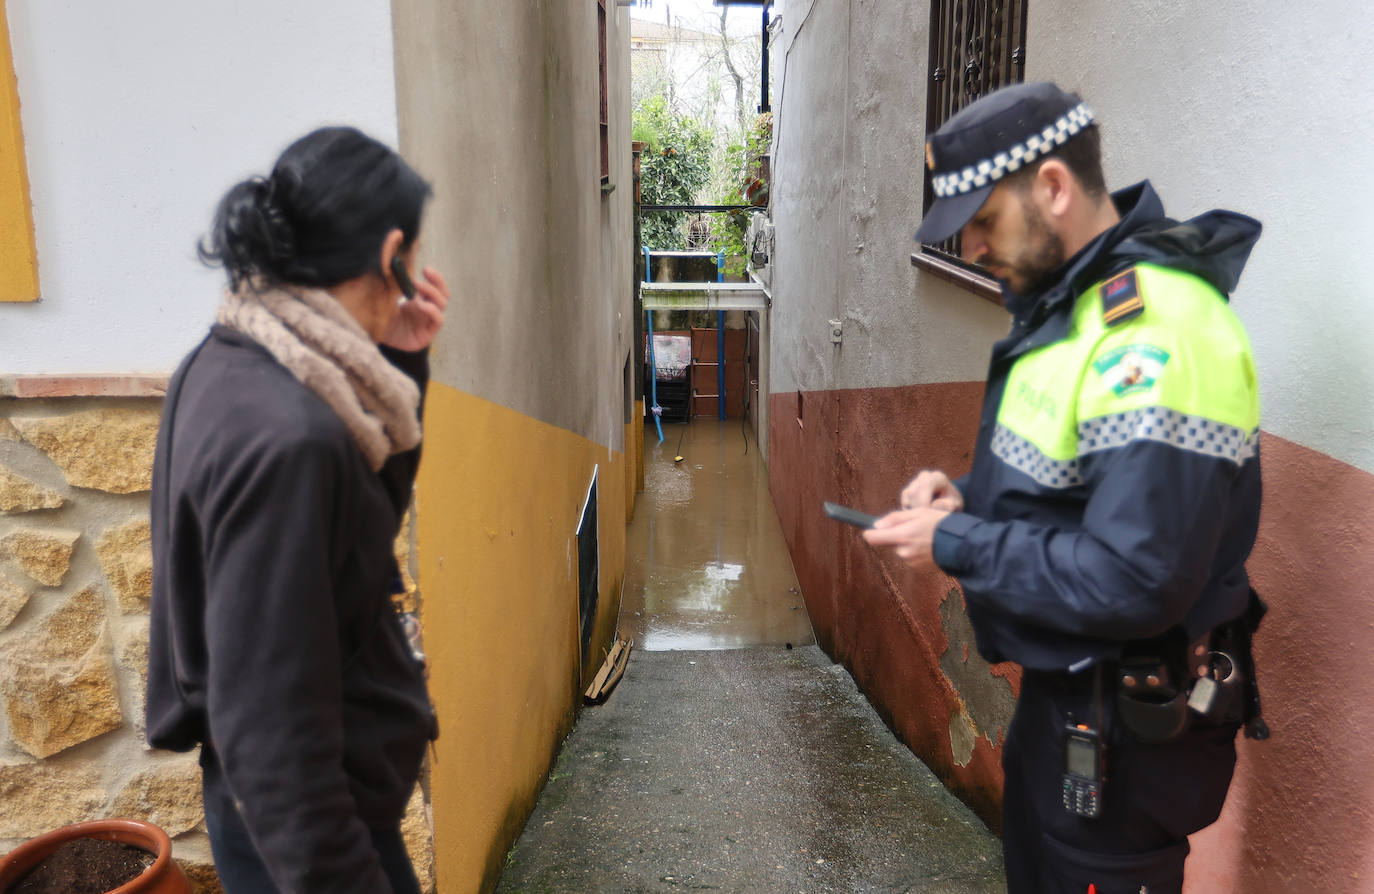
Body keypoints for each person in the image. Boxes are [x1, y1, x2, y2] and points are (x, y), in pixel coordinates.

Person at [863, 82, 1267, 893]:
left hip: (1128, 743)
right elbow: (1076, 487)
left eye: (984, 221)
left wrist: (955, 542)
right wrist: (967, 499)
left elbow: (1135, 576)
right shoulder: (1072, 313)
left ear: (1051, 186)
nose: (973, 249)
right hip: (1068, 715)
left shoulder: (1157, 331)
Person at [146, 126, 449, 894]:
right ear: (390, 257)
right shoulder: (291, 436)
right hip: (317, 830)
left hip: (295, 814)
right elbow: (271, 729)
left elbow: (358, 528)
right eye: (411, 260)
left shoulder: (231, 360)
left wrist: (402, 358)